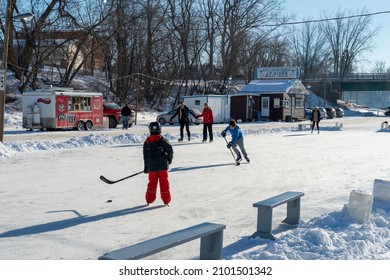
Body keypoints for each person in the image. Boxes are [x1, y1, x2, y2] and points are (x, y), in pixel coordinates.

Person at [143, 122, 174, 206]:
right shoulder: (163, 140)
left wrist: (146, 167)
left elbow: (145, 156)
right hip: (162, 167)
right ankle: (166, 200)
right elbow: (170, 151)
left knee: (152, 183)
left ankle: (149, 199)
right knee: (164, 183)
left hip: (152, 167)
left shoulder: (147, 142)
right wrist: (169, 159)